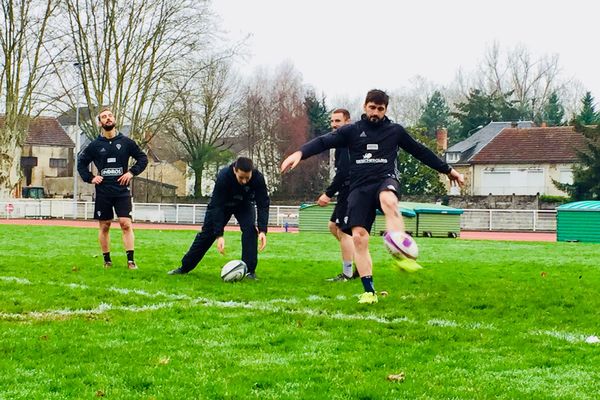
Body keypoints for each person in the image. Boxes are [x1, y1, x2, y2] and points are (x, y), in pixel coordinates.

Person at [281, 89, 464, 304]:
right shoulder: (352, 131)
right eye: (372, 107)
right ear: (365, 107)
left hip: (385, 179)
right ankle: (369, 291)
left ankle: (401, 253)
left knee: (389, 200)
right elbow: (323, 142)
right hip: (359, 188)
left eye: (380, 108)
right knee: (359, 237)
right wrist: (299, 153)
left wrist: (448, 170)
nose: (375, 112)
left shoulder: (395, 131)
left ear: (385, 109)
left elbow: (420, 151)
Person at [168, 157, 270, 279]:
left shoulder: (258, 178)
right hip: (222, 205)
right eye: (241, 177)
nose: (244, 181)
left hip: (244, 204)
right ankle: (184, 267)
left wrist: (263, 230)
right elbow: (217, 207)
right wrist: (219, 235)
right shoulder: (224, 176)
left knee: (250, 231)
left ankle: (249, 271)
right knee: (207, 235)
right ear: (234, 170)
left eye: (247, 178)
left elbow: (263, 203)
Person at [77, 107, 148, 269]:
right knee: (105, 225)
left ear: (114, 119)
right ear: (99, 123)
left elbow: (142, 158)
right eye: (104, 117)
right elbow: (81, 163)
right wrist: (91, 177)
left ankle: (131, 261)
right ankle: (107, 261)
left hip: (122, 191)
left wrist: (131, 172)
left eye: (110, 116)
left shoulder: (126, 142)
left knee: (125, 223)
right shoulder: (95, 145)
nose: (108, 118)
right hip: (103, 192)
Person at [317, 108, 357, 282]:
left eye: (337, 121)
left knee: (343, 231)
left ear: (347, 122)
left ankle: (347, 273)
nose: (334, 125)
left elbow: (344, 172)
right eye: (332, 121)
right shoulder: (341, 143)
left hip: (350, 190)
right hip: (346, 191)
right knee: (333, 227)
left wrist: (328, 194)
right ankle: (359, 264)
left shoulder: (348, 143)